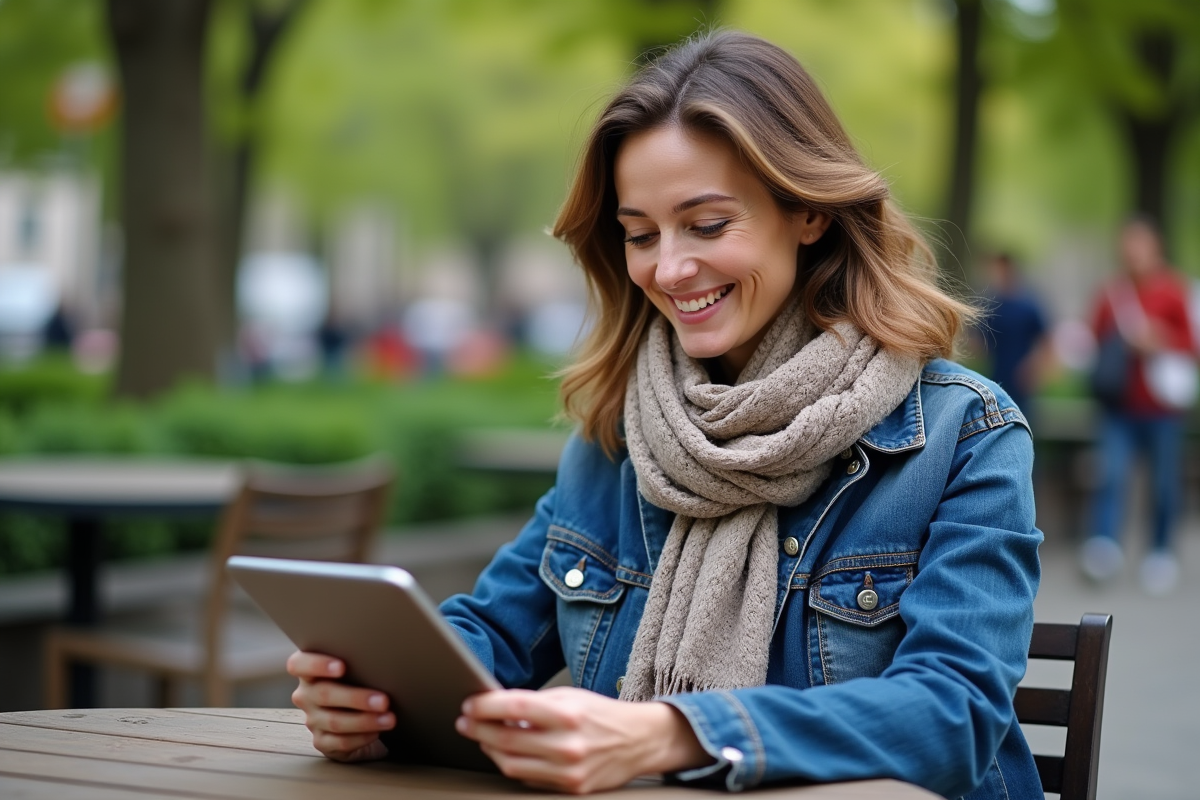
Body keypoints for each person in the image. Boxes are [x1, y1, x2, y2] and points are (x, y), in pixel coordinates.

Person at [288, 31, 1042, 799]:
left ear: (807, 213)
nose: (670, 268)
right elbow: (492, 635)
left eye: (708, 225)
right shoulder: (620, 436)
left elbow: (955, 713)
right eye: (641, 234)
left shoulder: (962, 435)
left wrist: (676, 733)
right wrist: (372, 701)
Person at [1080, 216, 1195, 595]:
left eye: (1139, 245)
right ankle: (1104, 548)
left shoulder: (1176, 290)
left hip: (1163, 409)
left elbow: (1192, 346)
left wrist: (1159, 340)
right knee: (1111, 476)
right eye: (1127, 245)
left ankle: (1159, 552)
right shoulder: (1110, 293)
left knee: (1164, 484)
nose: (1133, 253)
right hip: (1119, 406)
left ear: (1156, 247)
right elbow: (1092, 341)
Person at [976, 251, 1050, 420]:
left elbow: (1045, 342)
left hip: (1021, 380)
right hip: (995, 376)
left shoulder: (1027, 305)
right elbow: (979, 343)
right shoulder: (990, 305)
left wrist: (1034, 368)